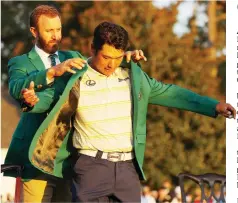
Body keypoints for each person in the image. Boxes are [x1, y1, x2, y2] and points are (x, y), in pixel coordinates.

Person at [21, 21, 236, 202]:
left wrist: (212, 105)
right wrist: (31, 101)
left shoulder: (134, 77)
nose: (111, 64)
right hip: (90, 168)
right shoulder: (74, 77)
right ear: (92, 48)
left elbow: (172, 94)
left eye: (117, 57)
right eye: (106, 57)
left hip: (127, 170)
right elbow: (47, 101)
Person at [4, 5, 146, 203]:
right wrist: (52, 72)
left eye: (58, 29)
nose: (55, 35)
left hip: (67, 160)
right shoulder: (20, 62)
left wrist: (126, 58)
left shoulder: (74, 57)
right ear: (34, 31)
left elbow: (100, 64)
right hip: (35, 159)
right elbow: (16, 86)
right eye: (49, 30)